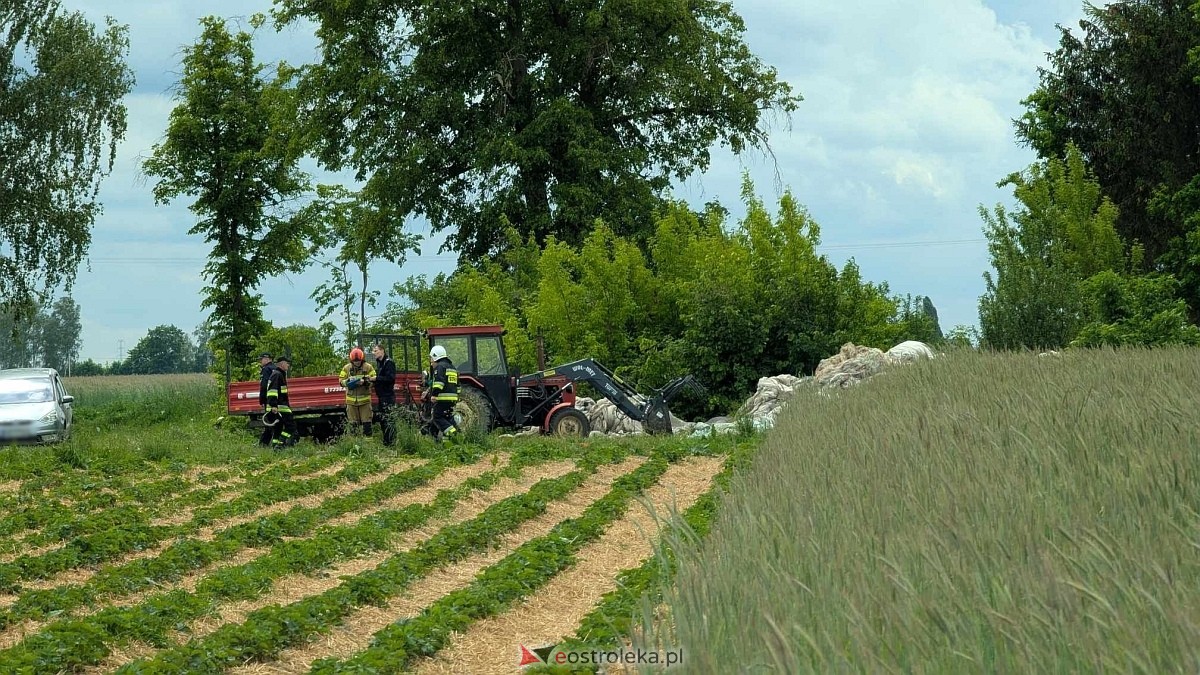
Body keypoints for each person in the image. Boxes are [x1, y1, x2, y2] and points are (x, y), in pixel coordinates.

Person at [426, 344, 460, 444]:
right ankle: (448, 444)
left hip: (442, 398)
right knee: (447, 418)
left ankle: (454, 433)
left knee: (437, 417)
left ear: (436, 356)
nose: (431, 362)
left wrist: (434, 395)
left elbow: (438, 383)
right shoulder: (453, 368)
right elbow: (458, 385)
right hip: (452, 399)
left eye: (431, 358)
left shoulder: (440, 367)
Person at [339, 347, 376, 437]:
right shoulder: (346, 368)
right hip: (351, 402)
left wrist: (365, 382)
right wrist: (348, 381)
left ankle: (368, 445)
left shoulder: (368, 367)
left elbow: (374, 381)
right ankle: (354, 445)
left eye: (358, 361)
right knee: (353, 425)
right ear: (351, 361)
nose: (357, 363)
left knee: (367, 423)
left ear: (362, 359)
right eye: (355, 362)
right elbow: (341, 381)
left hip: (365, 401)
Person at [264, 355, 299, 448]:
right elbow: (272, 391)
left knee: (278, 428)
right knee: (291, 427)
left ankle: (275, 446)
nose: (288, 365)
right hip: (280, 406)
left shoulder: (279, 374)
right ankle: (280, 444)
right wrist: (273, 405)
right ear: (282, 364)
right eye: (287, 363)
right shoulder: (277, 375)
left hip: (279, 406)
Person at [371, 343, 397, 446]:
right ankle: (386, 441)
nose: (374, 353)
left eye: (376, 351)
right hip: (381, 396)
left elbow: (390, 378)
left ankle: (391, 441)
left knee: (388, 419)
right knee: (383, 419)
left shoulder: (389, 363)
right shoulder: (380, 363)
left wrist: (376, 379)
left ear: (382, 351)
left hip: (388, 396)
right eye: (373, 351)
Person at [256, 352, 277, 447]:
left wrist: (262, 399)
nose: (260, 361)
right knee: (274, 421)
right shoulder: (276, 369)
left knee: (269, 422)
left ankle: (263, 444)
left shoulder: (266, 370)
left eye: (261, 359)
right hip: (278, 400)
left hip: (269, 401)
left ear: (267, 359)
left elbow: (264, 386)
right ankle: (264, 443)